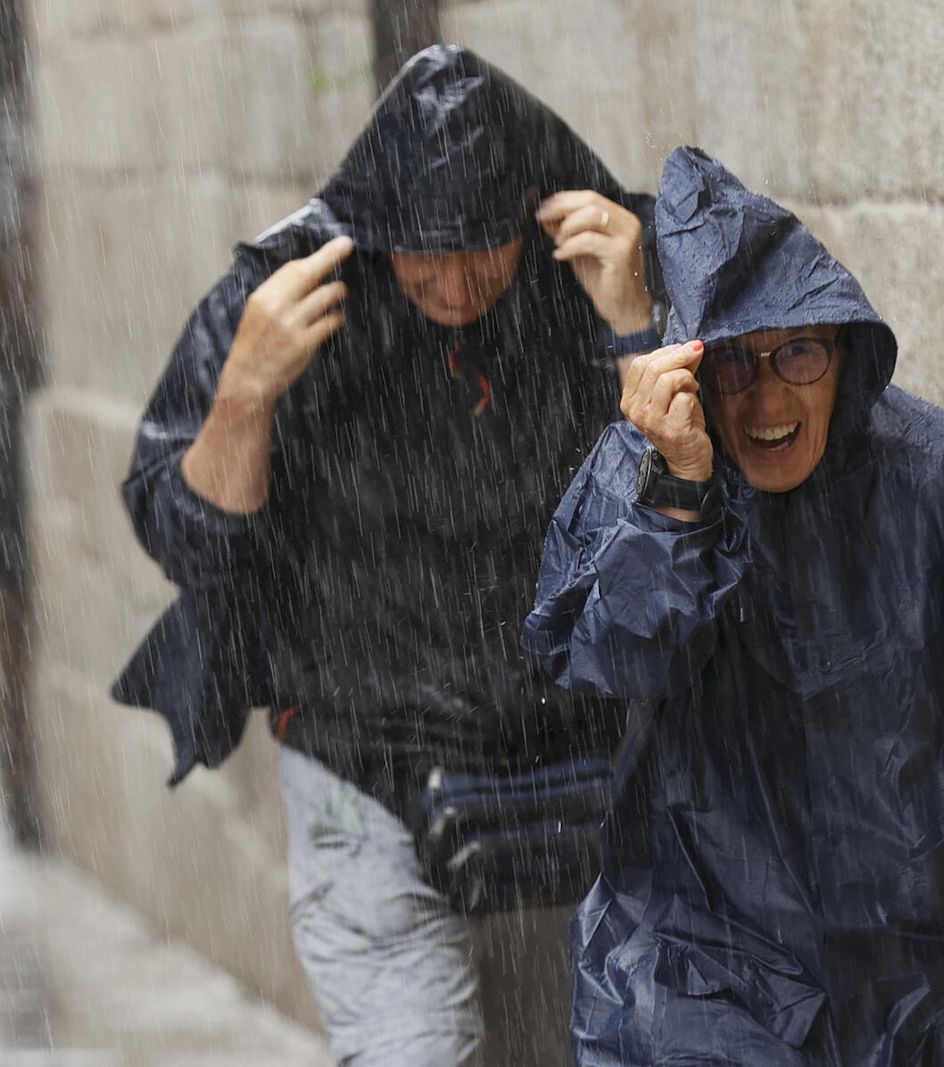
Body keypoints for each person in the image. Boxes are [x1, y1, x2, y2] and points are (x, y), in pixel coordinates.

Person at [524, 147, 944, 1065]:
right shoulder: (643, 469)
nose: (768, 396)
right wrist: (677, 495)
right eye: (733, 364)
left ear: (844, 350)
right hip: (703, 964)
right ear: (691, 370)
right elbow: (603, 651)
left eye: (798, 353)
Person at [113, 46, 665, 1066]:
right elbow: (182, 539)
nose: (453, 281)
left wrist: (637, 329)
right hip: (362, 751)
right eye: (421, 253)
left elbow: (696, 522)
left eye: (482, 246)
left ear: (533, 213)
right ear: (374, 230)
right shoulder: (282, 292)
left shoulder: (602, 270)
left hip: (589, 751)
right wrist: (246, 394)